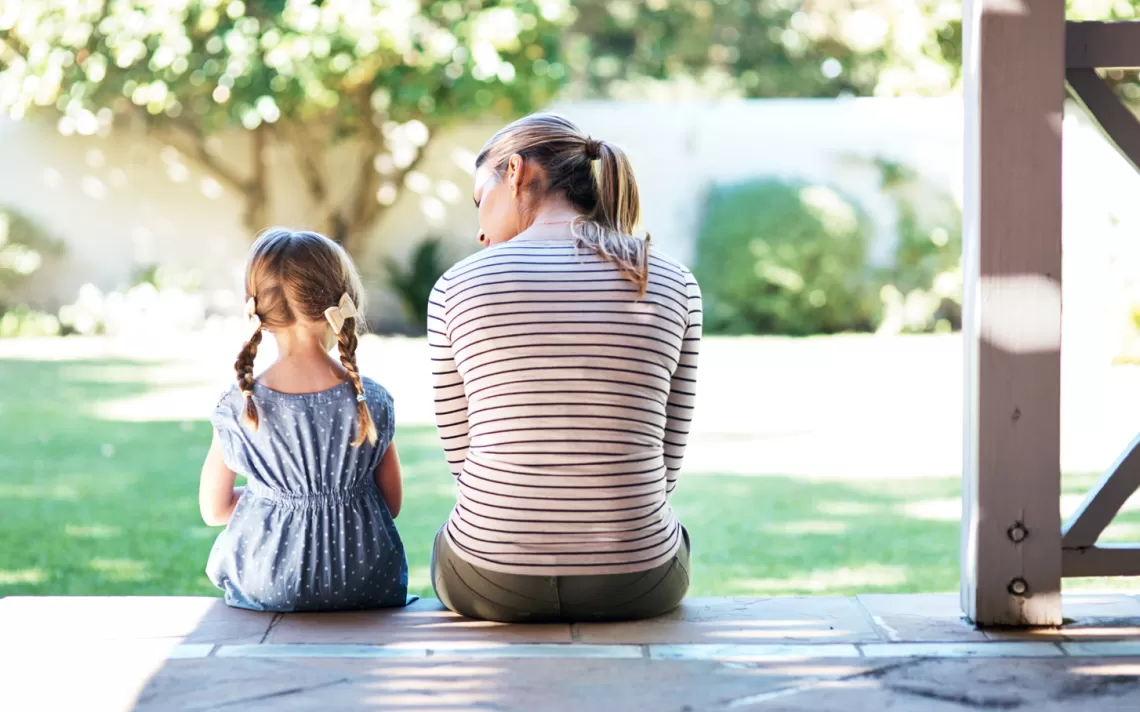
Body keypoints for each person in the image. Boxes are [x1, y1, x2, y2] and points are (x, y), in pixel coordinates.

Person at [428, 113, 703, 622]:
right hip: (637, 580)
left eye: (478, 200)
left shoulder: (456, 287)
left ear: (514, 172)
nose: (480, 229)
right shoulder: (671, 280)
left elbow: (463, 461)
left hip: (490, 580)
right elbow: (666, 460)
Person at [199, 228, 409, 612]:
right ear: (342, 302)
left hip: (268, 583)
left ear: (257, 311)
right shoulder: (372, 399)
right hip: (365, 581)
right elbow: (391, 503)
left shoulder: (239, 405)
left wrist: (274, 497)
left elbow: (214, 510)